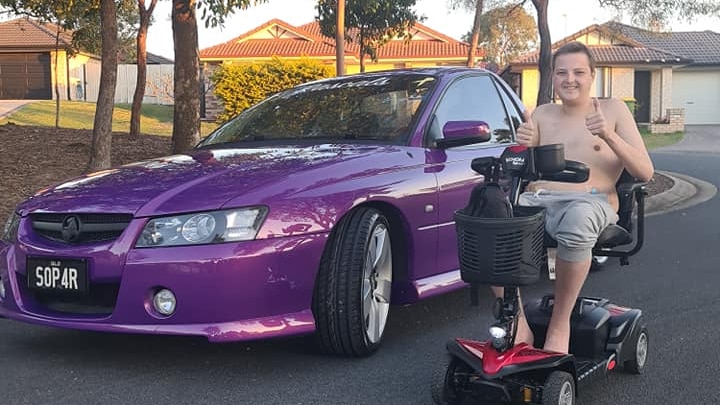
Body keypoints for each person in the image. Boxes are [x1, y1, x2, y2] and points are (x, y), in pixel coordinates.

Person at [493, 41, 654, 354]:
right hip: (537, 203)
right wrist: (520, 145)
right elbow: (519, 168)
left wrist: (608, 135)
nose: (570, 79)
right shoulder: (541, 114)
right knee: (488, 218)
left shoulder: (613, 110)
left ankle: (559, 323)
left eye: (579, 72)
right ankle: (520, 324)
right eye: (562, 72)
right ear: (553, 77)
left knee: (578, 220)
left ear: (592, 75)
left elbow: (645, 171)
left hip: (590, 202)